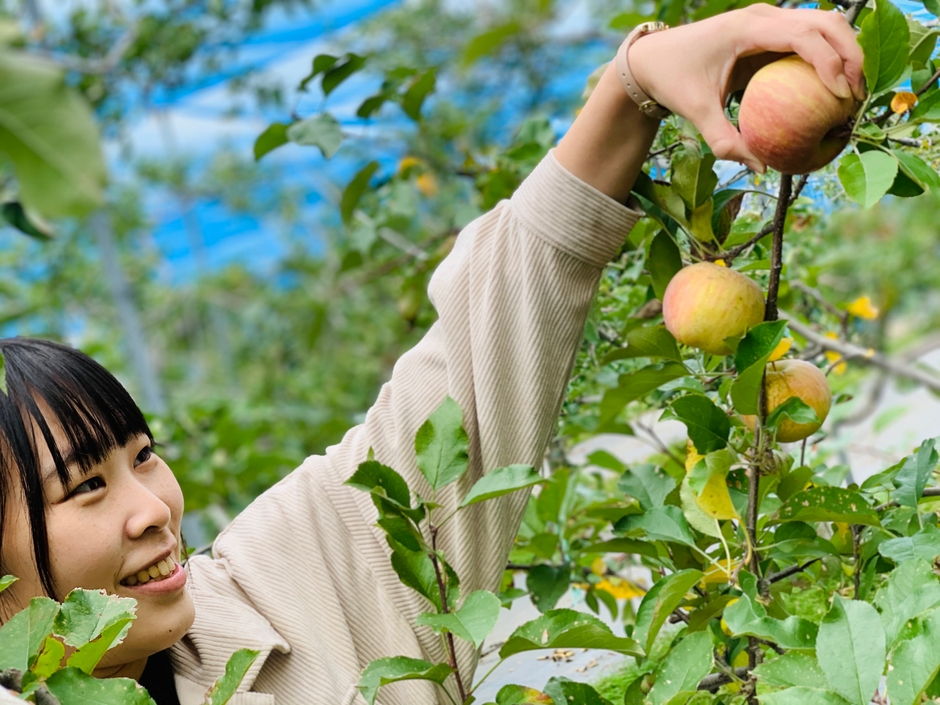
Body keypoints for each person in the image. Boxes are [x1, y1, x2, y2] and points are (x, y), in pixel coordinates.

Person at [0, 6, 863, 705]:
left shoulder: (282, 591)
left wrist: (633, 85)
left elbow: (468, 379)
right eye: (86, 485)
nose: (153, 507)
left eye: (143, 455)